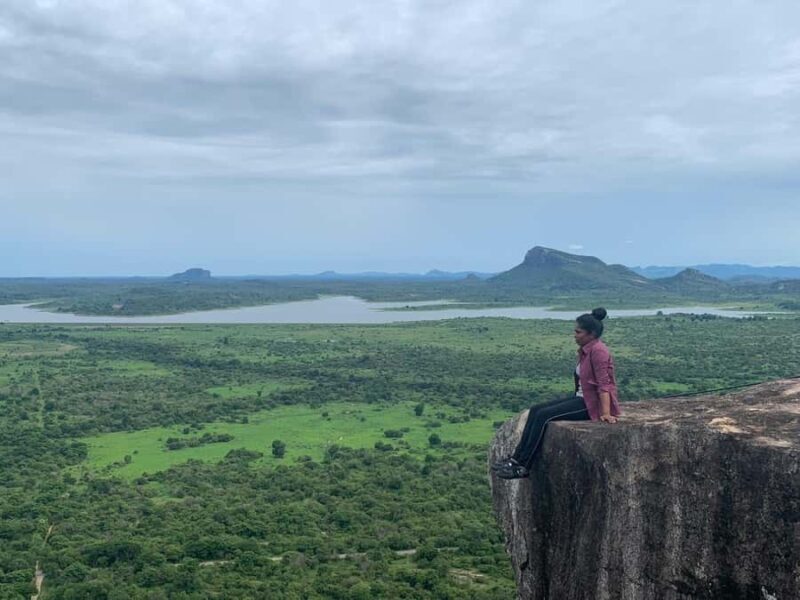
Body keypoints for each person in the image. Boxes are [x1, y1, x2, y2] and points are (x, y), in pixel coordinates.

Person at [492, 307, 621, 479]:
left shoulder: (599, 351)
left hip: (591, 404)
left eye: (578, 332)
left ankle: (523, 466)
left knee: (544, 416)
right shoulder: (586, 350)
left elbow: (604, 384)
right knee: (536, 410)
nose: (574, 335)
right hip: (581, 398)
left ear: (591, 334)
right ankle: (516, 459)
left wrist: (605, 413)